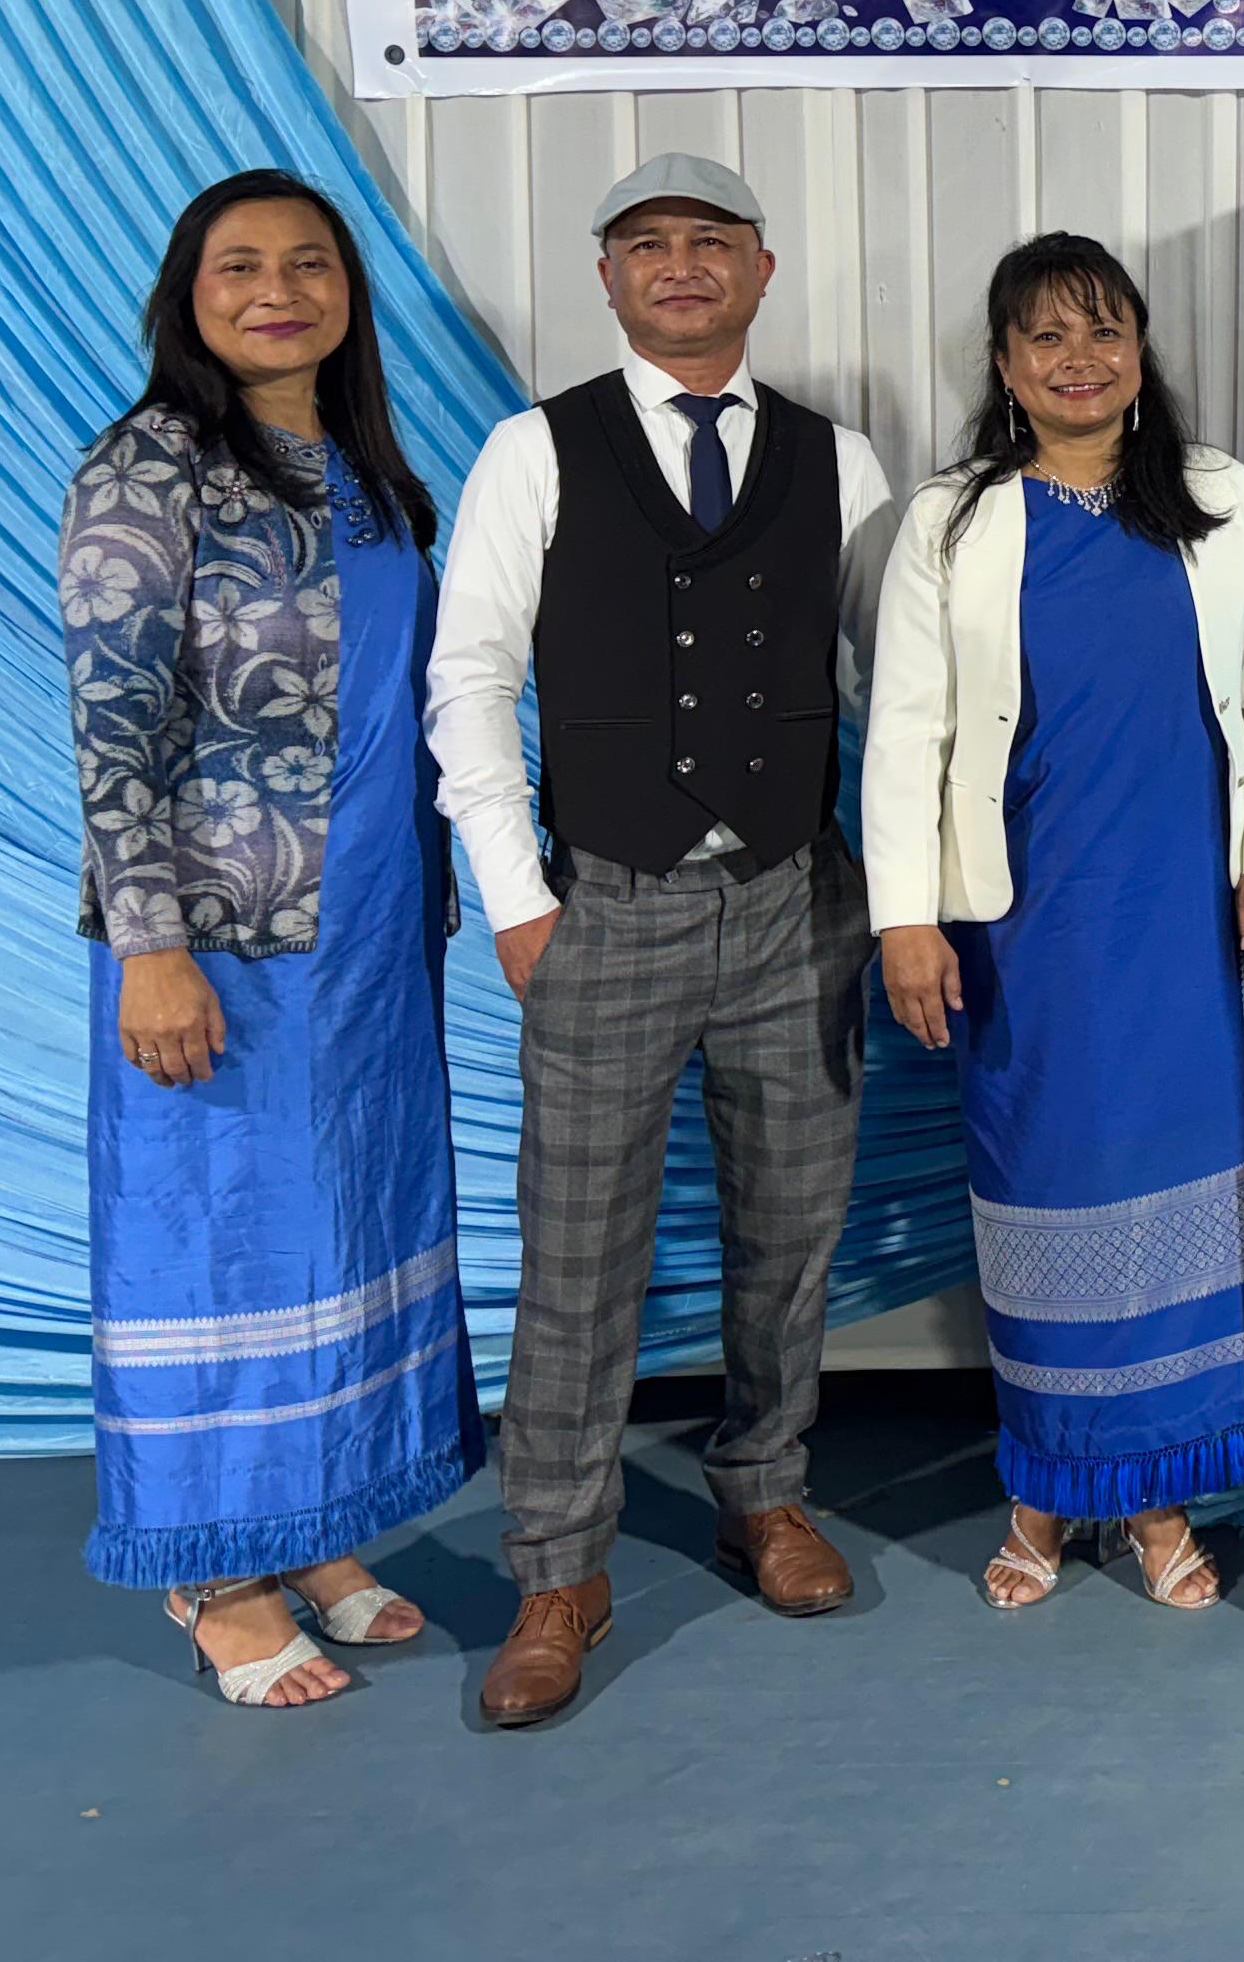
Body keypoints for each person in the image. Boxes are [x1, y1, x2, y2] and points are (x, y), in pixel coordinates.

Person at [428, 154, 897, 1726]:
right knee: (578, 1251)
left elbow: (897, 692)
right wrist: (519, 900)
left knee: (791, 1227)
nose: (679, 265)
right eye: (646, 244)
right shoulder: (531, 450)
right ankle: (558, 1568)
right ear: (607, 277)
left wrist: (907, 887)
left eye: (709, 241)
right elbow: (470, 677)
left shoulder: (842, 459)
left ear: (761, 269)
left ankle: (766, 1491)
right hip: (606, 903)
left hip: (795, 899)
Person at [61, 170, 480, 1708]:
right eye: (239, 266)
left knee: (340, 1224)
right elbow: (112, 727)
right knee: (215, 1245)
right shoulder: (149, 466)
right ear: (189, 296)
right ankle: (216, 1576)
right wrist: (151, 949)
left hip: (368, 937)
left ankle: (313, 1527)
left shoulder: (364, 473)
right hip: (222, 941)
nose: (278, 291)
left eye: (310, 264)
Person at [864, 236, 1244, 1613]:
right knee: (1045, 1195)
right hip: (1025, 924)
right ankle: (1045, 1491)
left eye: (1104, 331)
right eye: (1045, 337)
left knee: (1187, 1193)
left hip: (1182, 914)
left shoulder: (1216, 498)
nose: (1078, 360)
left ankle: (1161, 1502)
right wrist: (904, 917)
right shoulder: (951, 521)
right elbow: (908, 732)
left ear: (1141, 350)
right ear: (1003, 365)